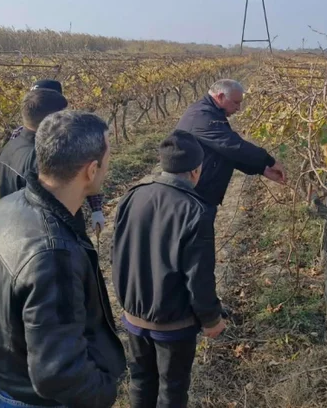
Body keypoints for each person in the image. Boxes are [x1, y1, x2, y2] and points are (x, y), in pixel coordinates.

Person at [0, 111, 125, 408]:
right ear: (91, 170)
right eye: (107, 159)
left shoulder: (6, 206)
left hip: (7, 380)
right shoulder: (54, 254)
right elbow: (58, 373)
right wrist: (105, 392)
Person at [112, 130, 224, 408]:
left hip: (134, 315)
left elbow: (118, 253)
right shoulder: (196, 211)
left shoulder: (132, 196)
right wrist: (211, 319)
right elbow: (199, 277)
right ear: (196, 170)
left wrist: (126, 301)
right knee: (172, 390)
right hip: (174, 324)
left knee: (140, 381)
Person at [0, 80, 107, 234]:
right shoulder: (47, 154)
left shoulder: (10, 146)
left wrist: (96, 209)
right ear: (52, 118)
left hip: (17, 227)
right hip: (45, 233)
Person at [175, 79, 286, 209]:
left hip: (200, 190)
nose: (238, 108)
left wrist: (262, 169)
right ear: (221, 96)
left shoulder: (210, 112)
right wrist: (269, 161)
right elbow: (233, 147)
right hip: (193, 195)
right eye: (236, 103)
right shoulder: (201, 116)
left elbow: (226, 153)